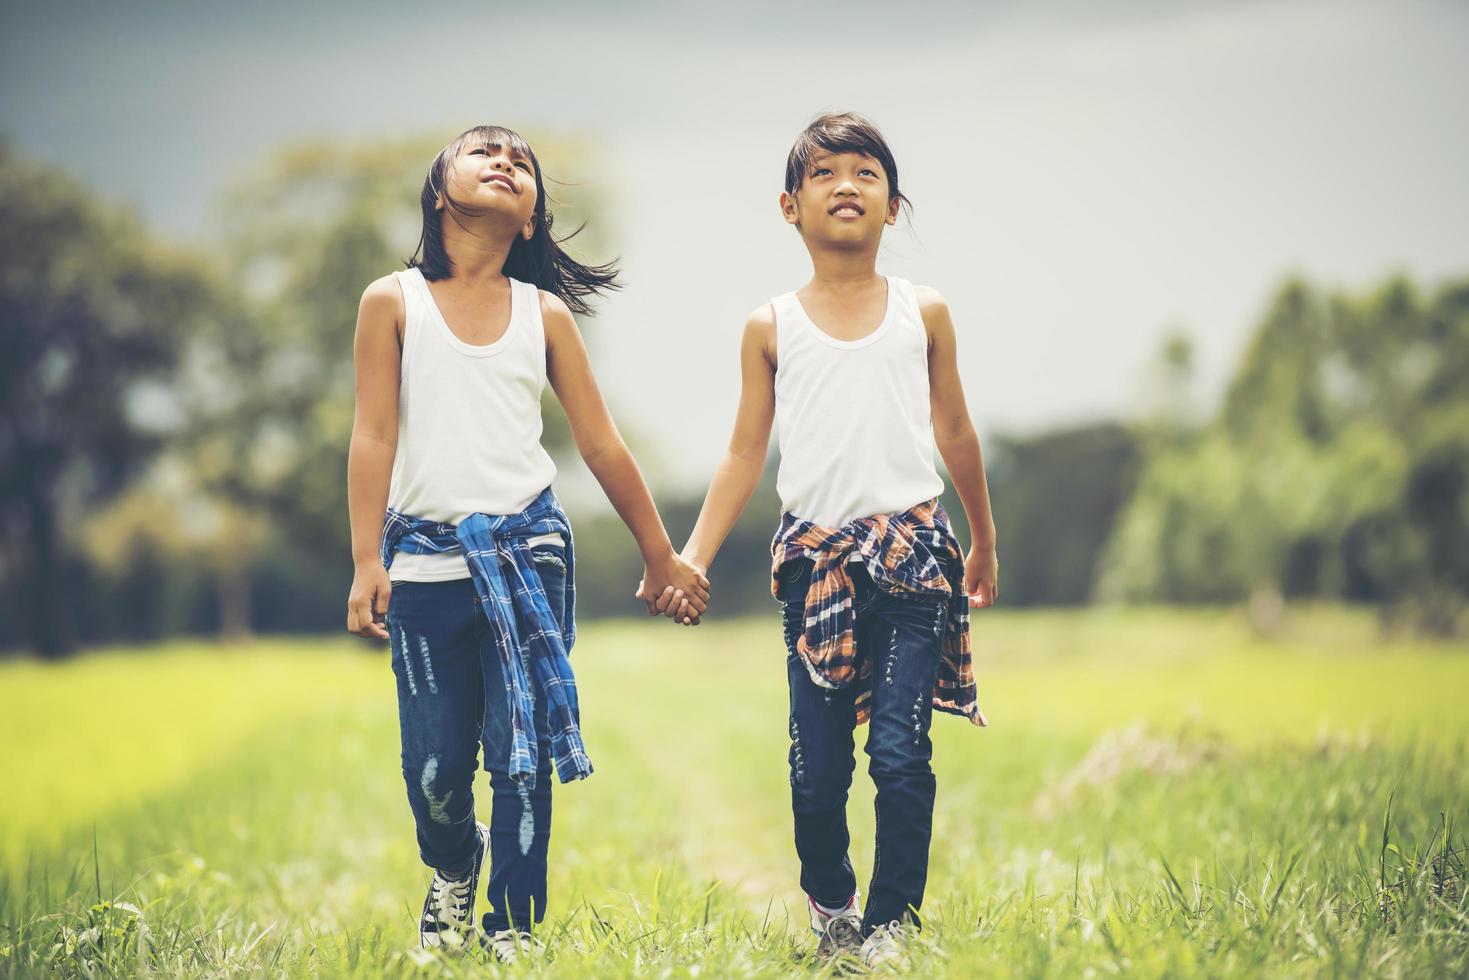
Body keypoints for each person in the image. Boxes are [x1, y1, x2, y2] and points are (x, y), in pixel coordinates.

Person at [344, 125, 709, 959]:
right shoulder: (390, 301)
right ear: (439, 192)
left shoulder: (543, 313)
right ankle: (453, 862)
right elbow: (371, 436)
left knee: (521, 755)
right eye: (485, 153)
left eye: (522, 164)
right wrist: (368, 558)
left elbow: (603, 444)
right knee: (434, 774)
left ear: (535, 218)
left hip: (527, 551)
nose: (506, 164)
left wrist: (662, 555)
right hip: (426, 562)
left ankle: (513, 928)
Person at [661, 111, 997, 968]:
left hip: (916, 560)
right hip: (816, 569)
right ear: (789, 206)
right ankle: (834, 905)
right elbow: (744, 452)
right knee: (816, 777)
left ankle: (891, 923)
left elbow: (955, 433)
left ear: (893, 207)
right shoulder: (770, 325)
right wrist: (692, 555)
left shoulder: (924, 312)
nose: (845, 185)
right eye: (824, 174)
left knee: (898, 753)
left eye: (865, 173)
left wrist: (982, 542)